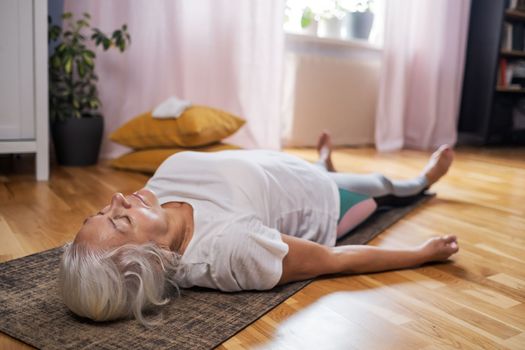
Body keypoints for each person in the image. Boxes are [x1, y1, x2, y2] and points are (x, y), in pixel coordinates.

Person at [59, 132, 458, 325]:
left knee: (314, 168)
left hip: (284, 168)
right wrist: (420, 254)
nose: (116, 198)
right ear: (158, 258)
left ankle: (322, 161)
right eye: (121, 219)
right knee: (383, 186)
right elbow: (332, 260)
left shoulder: (156, 197)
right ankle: (423, 179)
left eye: (102, 210)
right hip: (323, 199)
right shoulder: (232, 249)